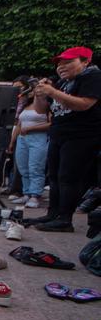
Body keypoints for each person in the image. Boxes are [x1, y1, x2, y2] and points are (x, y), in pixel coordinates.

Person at [27, 46, 101, 232]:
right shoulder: (61, 83)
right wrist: (40, 94)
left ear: (85, 62)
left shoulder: (92, 77)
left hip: (81, 135)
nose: (61, 67)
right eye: (59, 63)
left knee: (68, 177)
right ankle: (53, 214)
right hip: (59, 133)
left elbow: (85, 104)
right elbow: (41, 110)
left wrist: (51, 92)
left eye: (68, 62)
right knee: (53, 176)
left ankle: (65, 219)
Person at [6, 88, 50, 209]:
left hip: (38, 137)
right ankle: (26, 193)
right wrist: (11, 142)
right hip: (22, 139)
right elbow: (19, 125)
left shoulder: (46, 104)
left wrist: (31, 129)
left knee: (35, 167)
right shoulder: (26, 106)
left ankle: (35, 195)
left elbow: (51, 123)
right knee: (23, 167)